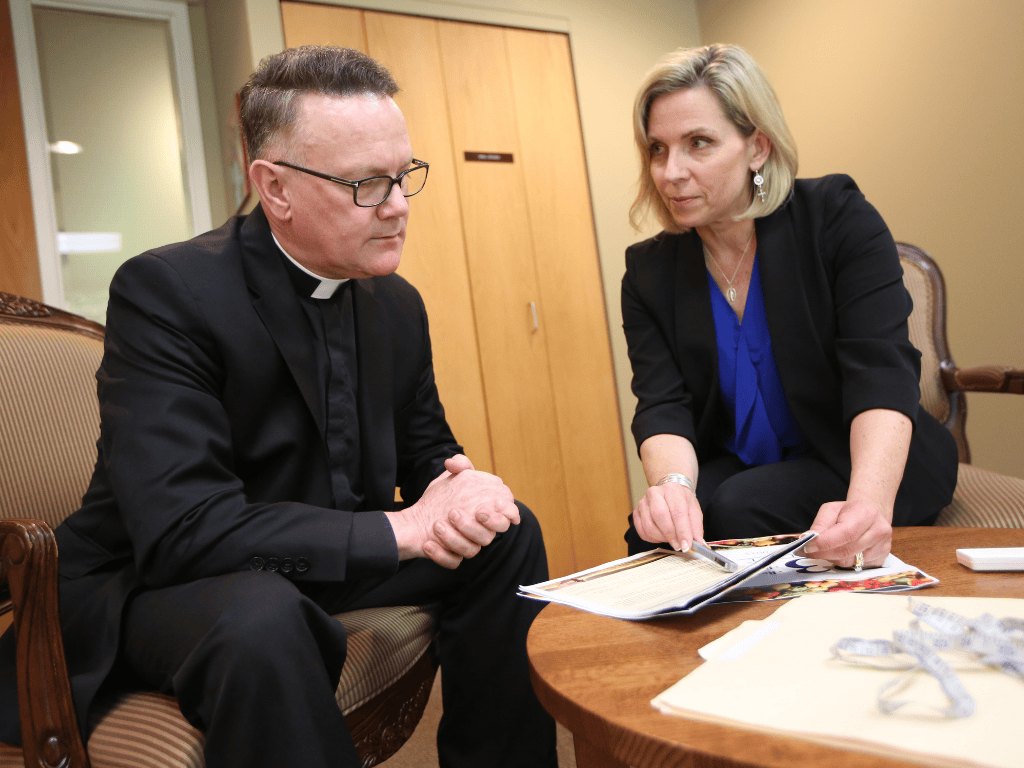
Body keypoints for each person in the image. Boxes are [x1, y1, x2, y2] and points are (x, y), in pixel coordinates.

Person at [0, 46, 557, 768]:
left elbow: (427, 460)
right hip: (158, 583)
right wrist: (397, 532)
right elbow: (181, 531)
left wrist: (462, 491)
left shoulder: (395, 303)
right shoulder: (168, 292)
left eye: (403, 176)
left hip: (317, 558)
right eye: (365, 184)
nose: (396, 207)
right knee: (264, 618)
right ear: (275, 188)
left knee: (507, 533)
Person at [622, 44, 958, 569]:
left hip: (863, 460)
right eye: (658, 149)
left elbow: (881, 370)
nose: (671, 172)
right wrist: (673, 487)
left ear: (757, 147)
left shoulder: (837, 218)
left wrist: (868, 506)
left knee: (737, 507)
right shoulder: (649, 271)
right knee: (654, 532)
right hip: (747, 464)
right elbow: (663, 405)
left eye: (699, 144)